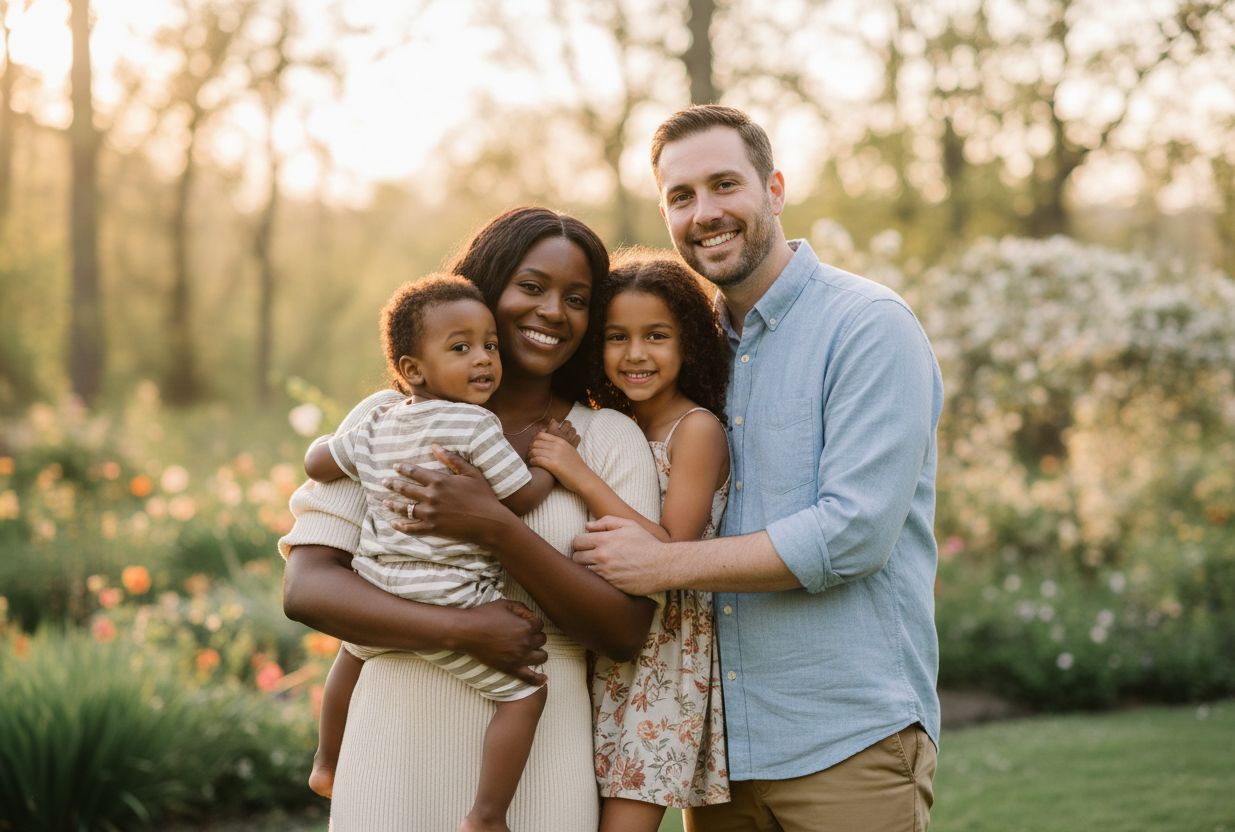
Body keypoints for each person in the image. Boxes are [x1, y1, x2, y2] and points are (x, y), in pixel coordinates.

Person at [572, 105, 945, 831]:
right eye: (681, 196)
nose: (705, 213)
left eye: (724, 185)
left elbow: (853, 534)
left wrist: (663, 565)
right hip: (717, 757)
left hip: (846, 742)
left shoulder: (867, 326)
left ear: (773, 189)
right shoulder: (685, 350)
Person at [281, 206, 662, 831]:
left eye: (577, 299)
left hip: (538, 758)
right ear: (485, 289)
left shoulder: (603, 439)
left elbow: (624, 630)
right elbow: (308, 589)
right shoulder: (385, 419)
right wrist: (461, 630)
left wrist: (496, 527)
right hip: (391, 747)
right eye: (531, 287)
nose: (552, 312)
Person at [302, 273, 586, 831]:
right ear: (412, 369)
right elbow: (522, 496)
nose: (483, 360)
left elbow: (319, 463)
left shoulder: (379, 421)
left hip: (381, 584)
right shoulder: (477, 425)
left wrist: (320, 447)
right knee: (526, 695)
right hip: (454, 597)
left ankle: (326, 761)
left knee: (352, 652)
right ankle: (486, 815)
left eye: (489, 346)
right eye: (461, 349)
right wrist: (552, 460)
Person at [528, 249, 733, 831]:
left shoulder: (696, 429)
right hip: (603, 641)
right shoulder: (616, 425)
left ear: (688, 342)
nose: (635, 354)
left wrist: (578, 474)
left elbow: (671, 548)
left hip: (665, 657)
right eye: (617, 337)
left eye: (656, 336)